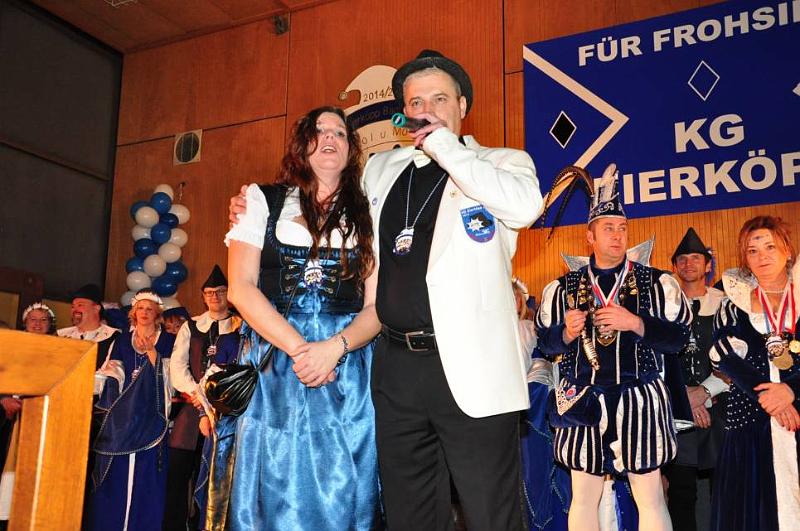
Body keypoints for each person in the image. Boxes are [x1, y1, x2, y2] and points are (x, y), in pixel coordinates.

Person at [362, 50, 541, 530]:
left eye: (440, 99)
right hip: (397, 368)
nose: (427, 110)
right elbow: (332, 212)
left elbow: (526, 208)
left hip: (472, 364)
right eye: (416, 102)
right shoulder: (381, 169)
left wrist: (445, 145)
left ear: (462, 105)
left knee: (490, 515)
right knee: (410, 515)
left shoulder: (501, 163)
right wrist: (262, 211)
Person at [217, 106, 381, 530]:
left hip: (347, 365)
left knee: (344, 482)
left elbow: (375, 307)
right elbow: (241, 288)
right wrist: (302, 350)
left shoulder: (369, 212)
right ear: (301, 145)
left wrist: (334, 349)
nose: (330, 137)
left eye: (340, 132)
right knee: (272, 481)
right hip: (275, 359)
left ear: (351, 149)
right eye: (319, 130)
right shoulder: (261, 200)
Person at [535, 164, 691, 531]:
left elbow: (679, 338)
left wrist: (636, 323)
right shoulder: (562, 288)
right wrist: (565, 333)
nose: (617, 236)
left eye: (622, 228)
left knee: (649, 496)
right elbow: (544, 342)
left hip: (639, 398)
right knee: (583, 496)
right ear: (589, 236)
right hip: (582, 398)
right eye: (608, 228)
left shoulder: (658, 283)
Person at [709, 215, 800, 531]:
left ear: (787, 250)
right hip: (750, 423)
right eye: (753, 251)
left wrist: (791, 390)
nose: (762, 257)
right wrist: (769, 395)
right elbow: (721, 354)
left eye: (770, 247)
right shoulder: (733, 305)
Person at [86, 289, 175, 531]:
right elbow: (111, 371)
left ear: (157, 314)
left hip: (151, 418)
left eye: (149, 309)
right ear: (134, 313)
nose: (144, 313)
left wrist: (153, 354)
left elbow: (171, 379)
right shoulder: (123, 340)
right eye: (140, 309)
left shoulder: (167, 341)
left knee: (145, 478)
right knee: (117, 476)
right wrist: (98, 382)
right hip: (123, 420)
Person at [165, 265, 240, 531]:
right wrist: (198, 395)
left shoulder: (240, 325)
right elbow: (177, 366)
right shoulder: (191, 326)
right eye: (209, 292)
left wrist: (212, 400)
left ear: (229, 294)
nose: (215, 296)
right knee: (178, 475)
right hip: (190, 410)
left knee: (215, 478)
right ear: (203, 296)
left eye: (220, 291)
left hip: (224, 414)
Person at [663, 228, 727, 531]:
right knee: (681, 494)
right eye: (682, 259)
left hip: (721, 408)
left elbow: (737, 356)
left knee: (724, 491)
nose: (689, 264)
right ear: (675, 266)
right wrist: (685, 399)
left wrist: (705, 393)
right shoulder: (663, 307)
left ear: (708, 265)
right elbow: (658, 358)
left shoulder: (726, 304)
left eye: (696, 258)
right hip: (677, 412)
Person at [58, 283, 119, 368]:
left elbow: (111, 370)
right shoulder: (61, 335)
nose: (75, 309)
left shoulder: (113, 337)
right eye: (72, 306)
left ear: (96, 308)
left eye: (80, 305)